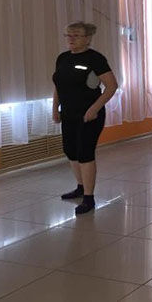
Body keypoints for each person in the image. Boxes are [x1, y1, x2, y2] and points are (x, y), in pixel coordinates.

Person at [53, 22, 118, 215]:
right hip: (68, 114)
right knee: (70, 150)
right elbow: (58, 85)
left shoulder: (95, 59)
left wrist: (94, 108)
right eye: (68, 35)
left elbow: (112, 86)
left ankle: (89, 198)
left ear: (87, 38)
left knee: (85, 152)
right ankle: (81, 187)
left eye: (76, 35)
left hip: (90, 115)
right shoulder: (63, 58)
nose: (71, 39)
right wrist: (55, 108)